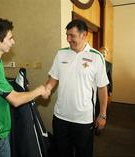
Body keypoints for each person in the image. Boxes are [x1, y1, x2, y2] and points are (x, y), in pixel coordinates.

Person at [0, 17, 46, 157]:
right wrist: (39, 90)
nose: (13, 42)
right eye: (10, 38)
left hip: (1, 130)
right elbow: (15, 99)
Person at [43, 19, 109, 157]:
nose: (68, 39)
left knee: (83, 153)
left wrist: (102, 114)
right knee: (62, 152)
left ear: (84, 35)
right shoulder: (61, 54)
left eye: (72, 35)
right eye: (67, 35)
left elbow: (102, 88)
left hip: (83, 119)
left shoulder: (96, 57)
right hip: (60, 117)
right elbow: (53, 78)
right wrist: (47, 88)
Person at [95, 47, 113, 135]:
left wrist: (110, 90)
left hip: (104, 89)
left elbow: (110, 78)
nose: (103, 54)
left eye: (105, 53)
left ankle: (100, 123)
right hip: (94, 90)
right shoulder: (94, 62)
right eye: (101, 52)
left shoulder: (109, 64)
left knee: (102, 107)